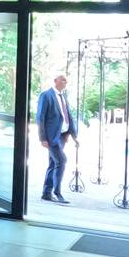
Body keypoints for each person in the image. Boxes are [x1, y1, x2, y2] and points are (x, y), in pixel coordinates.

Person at [36, 73, 79, 203]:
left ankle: (46, 193)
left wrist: (73, 136)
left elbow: (68, 117)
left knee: (53, 163)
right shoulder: (46, 95)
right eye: (63, 80)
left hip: (62, 137)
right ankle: (57, 192)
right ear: (55, 81)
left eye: (66, 81)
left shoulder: (63, 96)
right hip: (51, 138)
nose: (66, 82)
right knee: (62, 160)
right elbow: (40, 118)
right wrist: (43, 138)